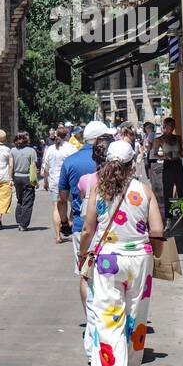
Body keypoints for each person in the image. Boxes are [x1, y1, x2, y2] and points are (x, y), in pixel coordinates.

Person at [79, 139, 165, 366]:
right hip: (140, 259)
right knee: (135, 316)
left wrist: (83, 255)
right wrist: (158, 253)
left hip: (108, 260)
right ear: (132, 164)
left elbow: (87, 230)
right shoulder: (145, 191)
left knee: (109, 318)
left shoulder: (98, 190)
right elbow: (157, 231)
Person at [59, 120, 114, 341]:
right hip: (111, 227)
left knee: (85, 275)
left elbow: (62, 198)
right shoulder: (113, 163)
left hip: (82, 228)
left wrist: (64, 222)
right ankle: (109, 319)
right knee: (110, 277)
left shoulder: (70, 161)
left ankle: (91, 320)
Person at [75, 132, 111, 357]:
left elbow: (88, 226)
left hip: (94, 246)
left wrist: (82, 253)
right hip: (119, 248)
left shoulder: (89, 181)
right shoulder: (133, 186)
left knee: (90, 290)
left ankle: (93, 347)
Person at [41, 124, 76, 242]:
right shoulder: (71, 148)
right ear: (67, 135)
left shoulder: (50, 149)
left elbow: (45, 167)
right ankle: (69, 226)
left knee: (56, 206)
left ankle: (58, 236)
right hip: (68, 180)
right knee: (72, 203)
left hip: (54, 181)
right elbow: (74, 165)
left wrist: (45, 181)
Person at [151, 116, 183, 216]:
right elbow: (154, 154)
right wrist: (164, 156)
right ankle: (169, 215)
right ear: (165, 126)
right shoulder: (159, 139)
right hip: (168, 164)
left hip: (177, 163)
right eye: (170, 125)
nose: (172, 127)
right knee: (168, 189)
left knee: (182, 189)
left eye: (173, 125)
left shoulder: (178, 138)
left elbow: (181, 154)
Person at [10, 131, 38, 231]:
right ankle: (23, 224)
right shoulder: (31, 151)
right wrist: (36, 181)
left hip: (17, 178)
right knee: (28, 201)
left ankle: (19, 219)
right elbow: (33, 167)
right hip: (27, 178)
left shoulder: (12, 151)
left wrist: (10, 178)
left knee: (20, 199)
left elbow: (11, 166)